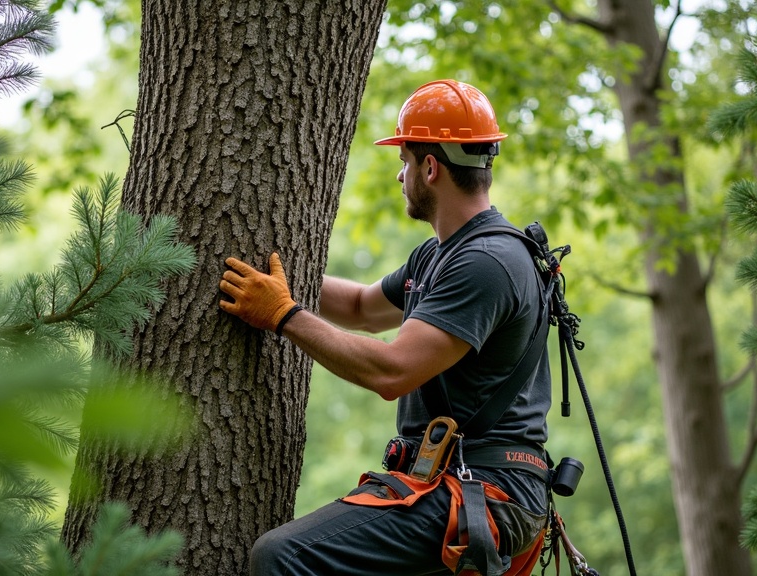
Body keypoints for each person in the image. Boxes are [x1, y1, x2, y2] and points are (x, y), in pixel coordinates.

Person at [219, 79, 552, 576]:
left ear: (431, 167)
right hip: (459, 480)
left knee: (282, 555)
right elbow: (358, 307)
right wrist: (275, 277)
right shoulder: (441, 254)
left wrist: (282, 315)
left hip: (485, 486)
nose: (401, 176)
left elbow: (393, 372)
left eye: (405, 162)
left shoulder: (487, 261)